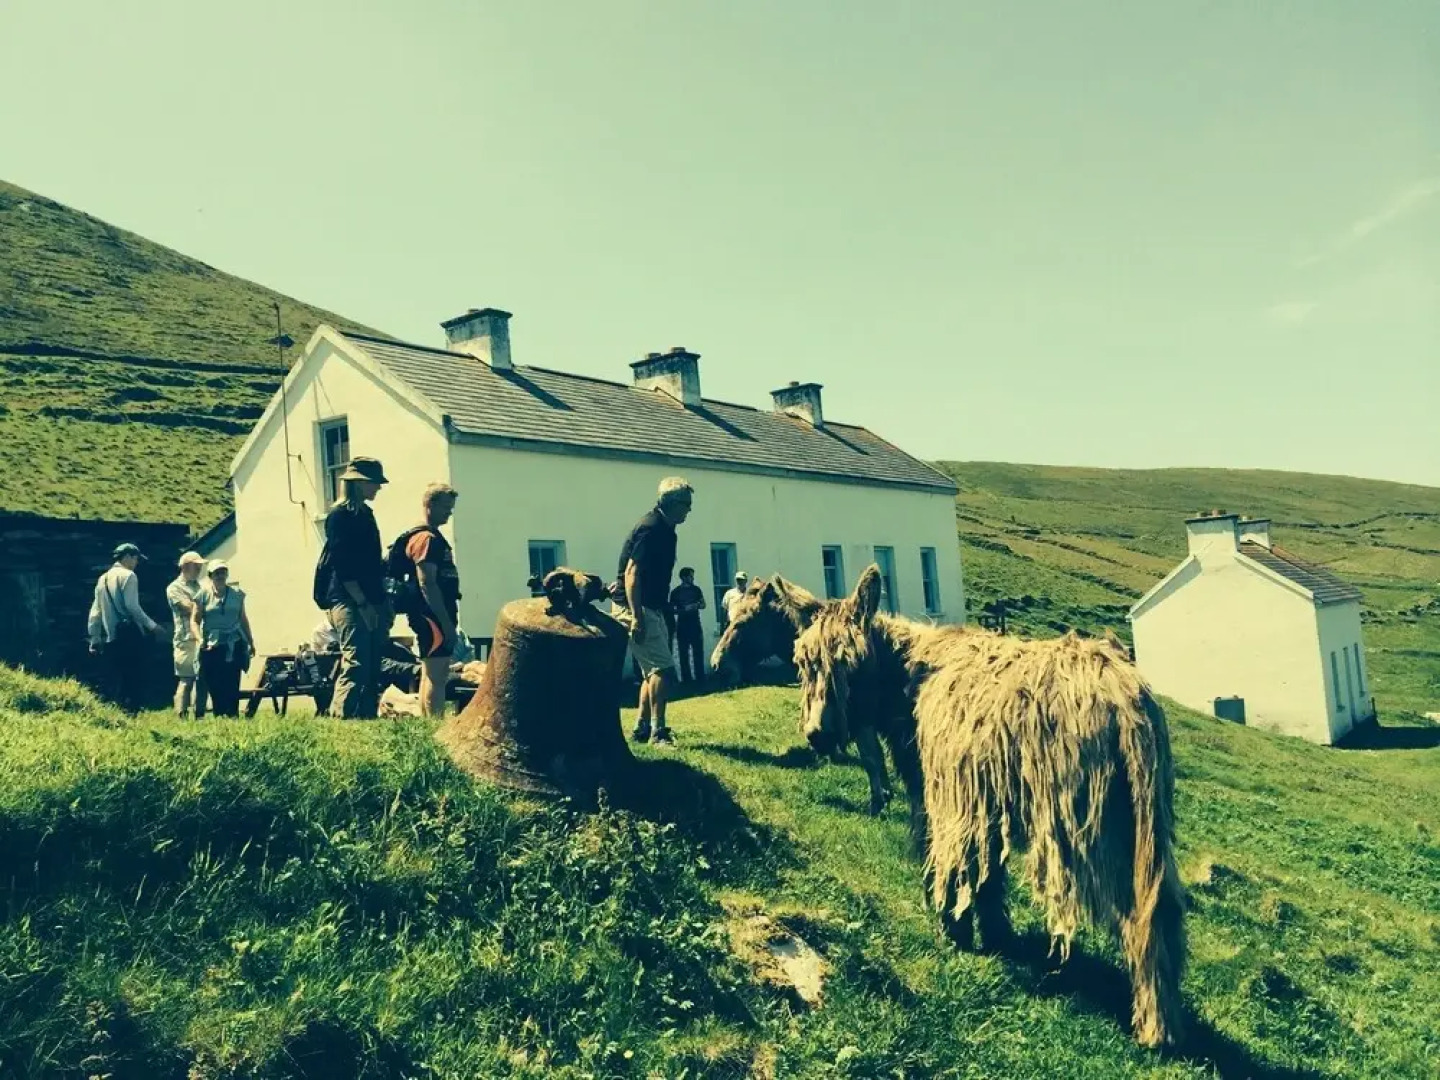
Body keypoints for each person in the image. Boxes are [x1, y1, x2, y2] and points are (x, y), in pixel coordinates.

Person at [614, 477, 694, 745]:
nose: (689, 510)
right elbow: (631, 573)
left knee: (653, 671)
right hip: (638, 607)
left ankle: (641, 727)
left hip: (651, 606)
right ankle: (658, 733)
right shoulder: (651, 528)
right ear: (671, 503)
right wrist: (636, 616)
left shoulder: (666, 528)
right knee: (663, 670)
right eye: (686, 504)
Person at [314, 457, 390, 718]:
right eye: (374, 483)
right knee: (356, 662)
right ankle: (341, 718)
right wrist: (363, 604)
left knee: (371, 665)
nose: (378, 488)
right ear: (359, 483)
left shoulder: (365, 513)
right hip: (349, 598)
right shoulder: (340, 515)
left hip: (369, 596)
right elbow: (343, 564)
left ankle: (366, 717)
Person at [400, 483, 461, 717]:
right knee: (438, 675)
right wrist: (445, 623)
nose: (449, 512)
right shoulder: (425, 539)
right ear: (430, 505)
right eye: (445, 507)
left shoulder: (433, 537)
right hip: (432, 615)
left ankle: (429, 724)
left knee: (431, 671)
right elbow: (428, 582)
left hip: (432, 615)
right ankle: (435, 725)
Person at [87, 542, 168, 712]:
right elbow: (132, 606)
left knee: (119, 676)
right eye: (136, 558)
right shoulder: (129, 576)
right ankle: (134, 711)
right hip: (130, 634)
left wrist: (94, 637)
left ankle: (120, 711)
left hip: (112, 637)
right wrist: (153, 626)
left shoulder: (102, 579)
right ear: (127, 557)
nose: (137, 562)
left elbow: (95, 611)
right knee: (136, 675)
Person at [191, 561, 255, 717]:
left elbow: (242, 619)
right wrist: (199, 639)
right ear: (210, 576)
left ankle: (232, 715)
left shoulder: (237, 594)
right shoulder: (203, 595)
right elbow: (194, 620)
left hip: (234, 642)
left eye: (223, 572)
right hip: (212, 645)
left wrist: (250, 641)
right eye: (217, 573)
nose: (220, 576)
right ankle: (219, 715)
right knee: (214, 682)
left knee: (232, 680)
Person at [166, 551, 210, 718]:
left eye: (200, 565)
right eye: (196, 565)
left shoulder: (200, 586)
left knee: (203, 679)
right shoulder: (174, 588)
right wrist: (205, 607)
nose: (199, 568)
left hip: (201, 638)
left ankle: (200, 715)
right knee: (186, 679)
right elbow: (189, 608)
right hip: (185, 639)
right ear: (185, 566)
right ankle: (181, 714)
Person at [669, 566, 707, 685]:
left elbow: (703, 604)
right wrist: (684, 609)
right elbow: (671, 609)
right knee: (683, 652)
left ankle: (700, 677)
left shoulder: (696, 590)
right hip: (682, 625)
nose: (692, 578)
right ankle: (686, 679)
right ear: (684, 577)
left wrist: (695, 605)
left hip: (695, 623)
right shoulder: (676, 592)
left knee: (698, 651)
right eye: (690, 576)